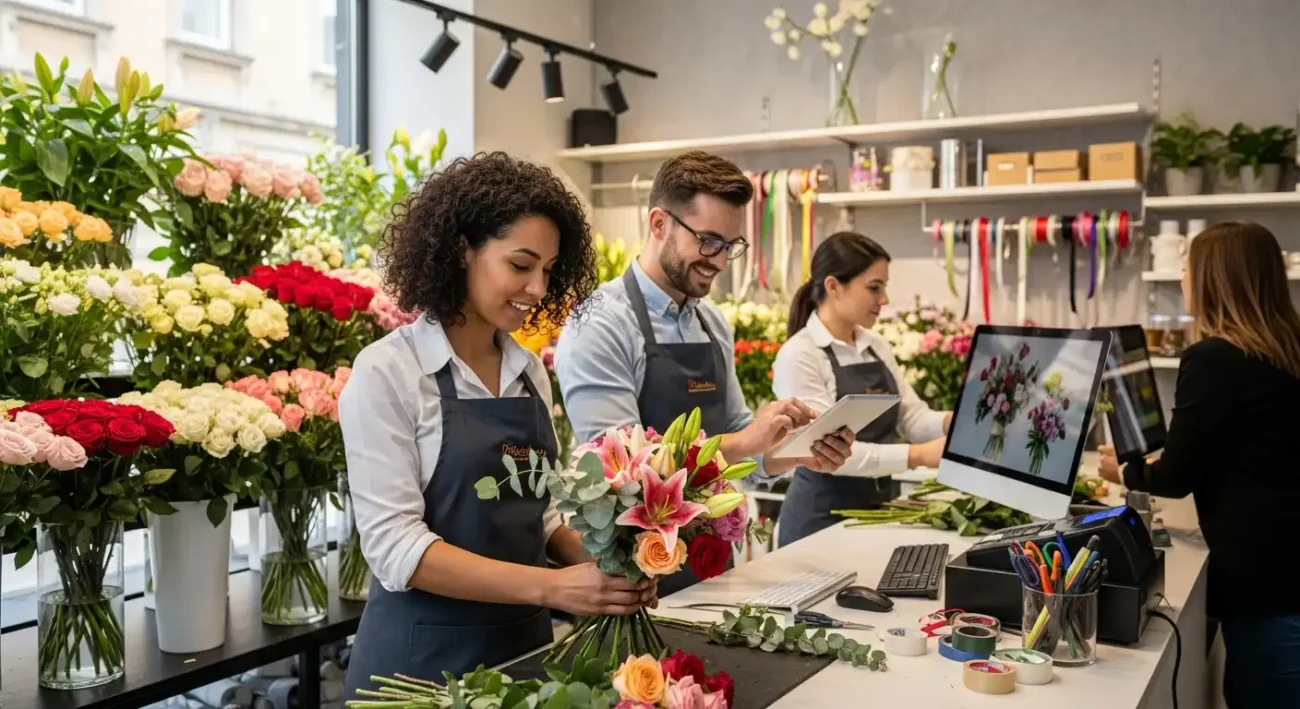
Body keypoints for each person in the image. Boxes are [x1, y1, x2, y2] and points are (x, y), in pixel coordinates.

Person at [340, 153, 655, 698]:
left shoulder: (529, 370)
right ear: (462, 250)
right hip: (418, 672)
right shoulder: (390, 372)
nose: (537, 288)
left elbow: (542, 514)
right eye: (521, 264)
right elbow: (397, 548)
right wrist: (554, 587)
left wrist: (608, 566)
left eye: (549, 270)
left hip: (524, 658)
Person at [554, 150, 854, 595]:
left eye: (731, 245)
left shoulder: (712, 323)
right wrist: (746, 441)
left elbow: (736, 443)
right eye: (709, 240)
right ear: (659, 224)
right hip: (635, 578)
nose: (719, 260)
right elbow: (620, 474)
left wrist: (793, 454)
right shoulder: (599, 324)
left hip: (715, 567)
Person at [1098, 221, 1300, 708]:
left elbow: (1179, 476)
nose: (1184, 280)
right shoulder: (1286, 348)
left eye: (1187, 270)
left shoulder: (1215, 357)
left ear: (1212, 278)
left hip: (1266, 587)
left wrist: (1123, 472)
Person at [771, 232, 952, 546]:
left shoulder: (875, 346)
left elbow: (911, 419)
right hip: (818, 524)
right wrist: (919, 455)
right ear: (833, 286)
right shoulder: (800, 355)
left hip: (876, 515)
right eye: (874, 287)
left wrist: (955, 422)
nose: (884, 299)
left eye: (884, 287)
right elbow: (827, 450)